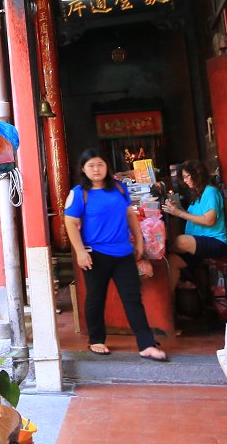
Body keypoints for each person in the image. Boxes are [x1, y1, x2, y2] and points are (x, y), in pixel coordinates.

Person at [65, 148, 168, 362]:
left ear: (106, 166)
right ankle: (96, 339)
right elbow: (71, 223)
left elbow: (129, 214)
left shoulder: (120, 188)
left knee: (132, 298)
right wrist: (80, 252)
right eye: (91, 165)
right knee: (96, 297)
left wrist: (138, 240)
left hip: (123, 252)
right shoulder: (79, 193)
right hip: (95, 253)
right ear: (83, 169)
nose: (96, 169)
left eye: (100, 164)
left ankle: (146, 344)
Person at [164, 159, 227, 291]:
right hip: (198, 242)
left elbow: (209, 220)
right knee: (172, 261)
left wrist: (179, 213)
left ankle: (165, 252)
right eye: (184, 177)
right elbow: (194, 217)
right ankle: (171, 303)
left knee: (181, 241)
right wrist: (180, 209)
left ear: (197, 174)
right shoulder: (198, 195)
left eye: (188, 176)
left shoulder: (210, 192)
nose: (186, 180)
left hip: (216, 242)